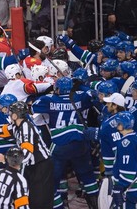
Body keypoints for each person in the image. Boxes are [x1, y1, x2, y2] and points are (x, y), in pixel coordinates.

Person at [31, 77, 99, 208]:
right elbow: (93, 94)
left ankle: (61, 205)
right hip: (81, 143)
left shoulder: (48, 100)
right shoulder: (80, 97)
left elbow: (34, 107)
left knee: (52, 179)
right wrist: (81, 85)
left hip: (60, 144)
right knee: (87, 176)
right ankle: (95, 206)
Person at [0, 101, 54, 209]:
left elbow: (27, 154)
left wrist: (5, 158)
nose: (9, 115)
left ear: (15, 115)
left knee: (40, 202)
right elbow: (2, 130)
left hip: (41, 166)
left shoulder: (26, 128)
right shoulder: (17, 126)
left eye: (11, 113)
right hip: (32, 166)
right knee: (31, 199)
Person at [112, 111, 137, 209]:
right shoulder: (134, 137)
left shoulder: (125, 143)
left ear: (123, 125)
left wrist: (120, 186)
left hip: (130, 189)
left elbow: (128, 171)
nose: (117, 125)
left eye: (118, 123)